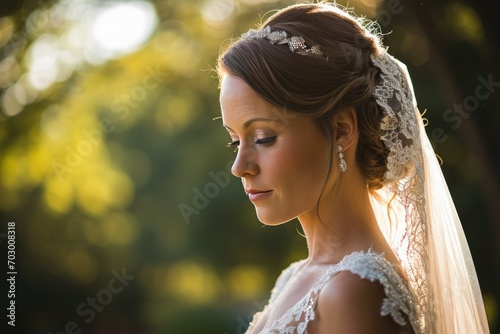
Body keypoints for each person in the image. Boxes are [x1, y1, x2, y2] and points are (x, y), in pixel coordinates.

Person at [216, 2, 489, 333]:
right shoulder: (295, 277)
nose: (239, 167)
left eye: (263, 137)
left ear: (343, 129)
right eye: (235, 141)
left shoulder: (355, 291)